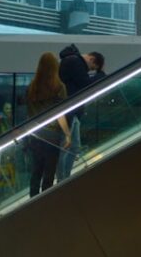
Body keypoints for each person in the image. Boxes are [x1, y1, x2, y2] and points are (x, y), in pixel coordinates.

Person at [26, 52, 73, 196]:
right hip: (52, 135)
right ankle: (45, 204)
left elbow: (29, 113)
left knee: (36, 172)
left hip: (35, 134)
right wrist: (67, 134)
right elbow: (60, 113)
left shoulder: (31, 88)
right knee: (49, 174)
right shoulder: (59, 87)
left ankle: (32, 204)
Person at [56, 44, 100, 182]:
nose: (89, 71)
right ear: (92, 59)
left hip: (71, 112)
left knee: (73, 146)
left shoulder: (71, 61)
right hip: (69, 111)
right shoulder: (75, 62)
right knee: (67, 146)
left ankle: (64, 179)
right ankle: (62, 179)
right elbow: (85, 84)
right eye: (92, 68)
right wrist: (100, 75)